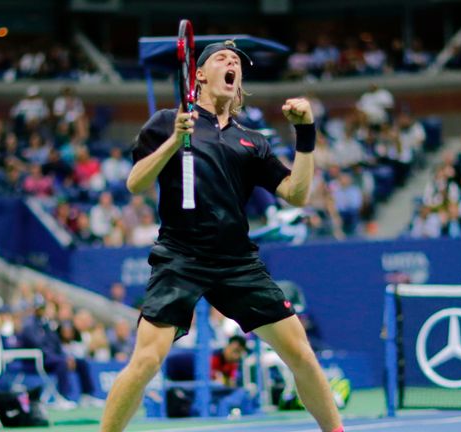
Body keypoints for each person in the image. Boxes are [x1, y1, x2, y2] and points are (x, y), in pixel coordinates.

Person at [100, 40, 343, 432]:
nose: (232, 64)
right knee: (146, 359)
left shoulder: (252, 141)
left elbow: (296, 195)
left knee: (300, 352)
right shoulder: (167, 121)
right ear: (198, 74)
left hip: (237, 261)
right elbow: (134, 183)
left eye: (237, 63)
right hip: (180, 256)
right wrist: (173, 142)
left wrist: (305, 134)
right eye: (221, 58)